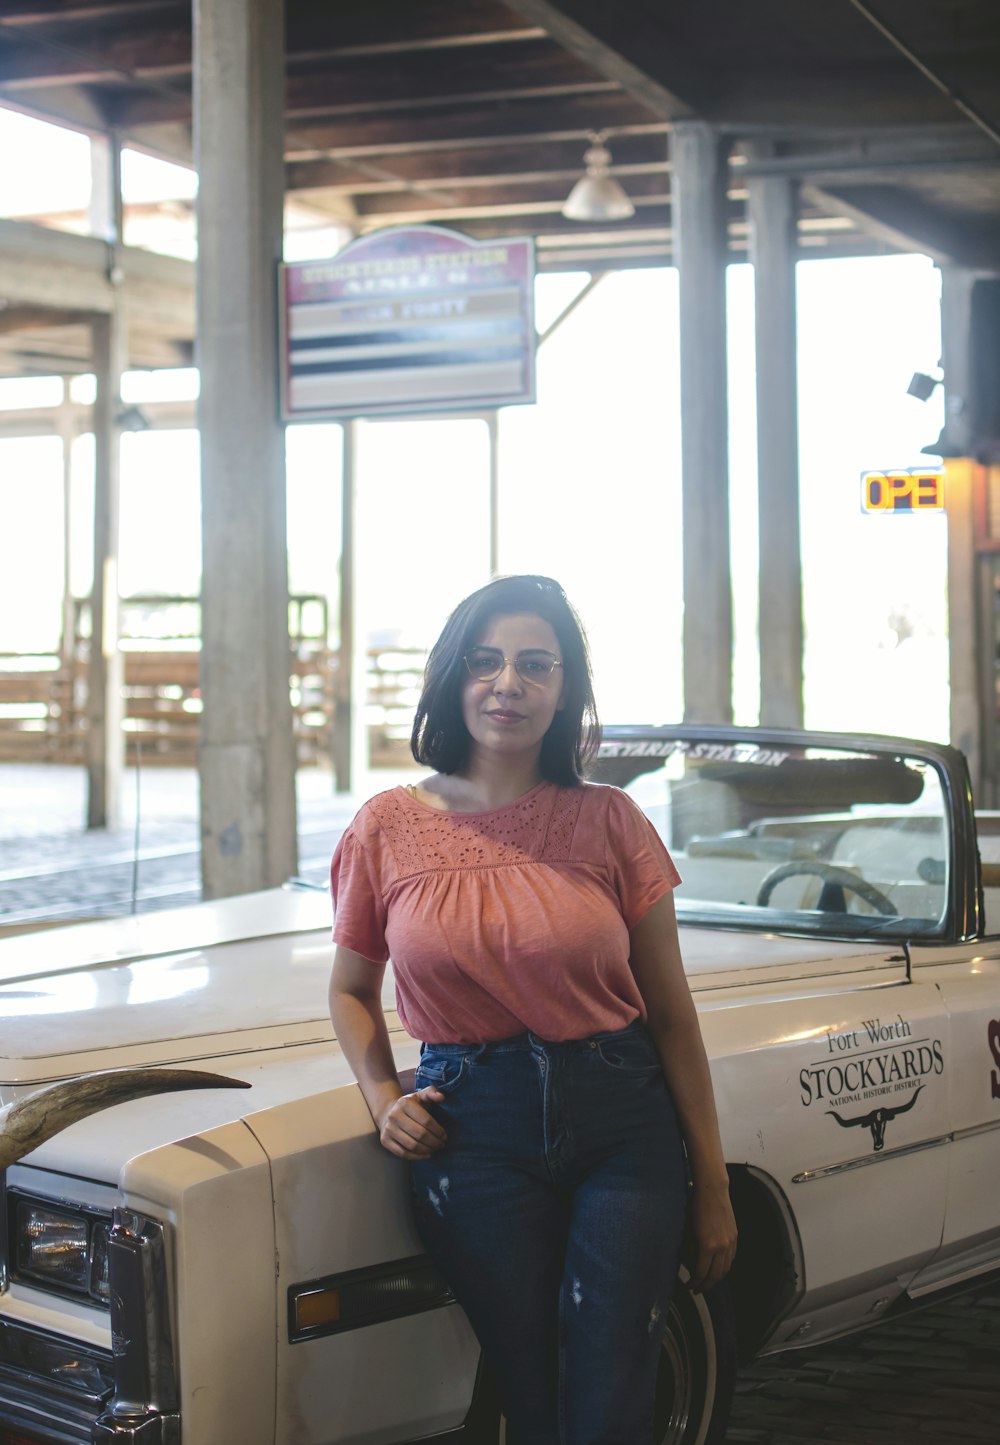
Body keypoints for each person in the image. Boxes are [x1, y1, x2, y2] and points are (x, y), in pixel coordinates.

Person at [328, 574, 737, 1445]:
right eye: (485, 661)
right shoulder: (385, 827)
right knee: (530, 1386)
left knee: (612, 1379)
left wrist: (713, 1182)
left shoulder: (610, 820)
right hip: (470, 1132)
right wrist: (381, 1097)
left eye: (534, 664)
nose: (507, 682)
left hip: (622, 1122)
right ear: (453, 679)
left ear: (563, 690)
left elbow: (671, 1012)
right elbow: (351, 990)